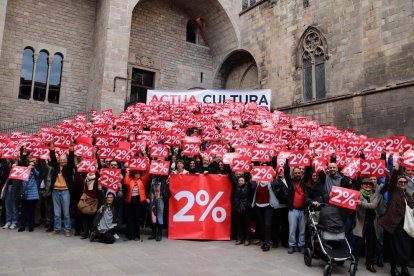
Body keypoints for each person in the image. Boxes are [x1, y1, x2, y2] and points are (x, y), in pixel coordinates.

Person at [379, 161, 414, 276]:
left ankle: (404, 269)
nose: (402, 183)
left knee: (405, 249)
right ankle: (393, 269)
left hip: (405, 226)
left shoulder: (408, 196)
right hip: (393, 225)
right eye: (400, 182)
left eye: (404, 182)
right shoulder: (393, 191)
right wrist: (397, 168)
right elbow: (393, 179)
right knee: (394, 249)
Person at [352, 178, 380, 273]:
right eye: (365, 184)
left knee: (371, 244)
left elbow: (374, 205)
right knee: (358, 245)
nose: (368, 185)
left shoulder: (376, 194)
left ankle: (370, 264)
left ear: (373, 186)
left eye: (370, 184)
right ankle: (354, 264)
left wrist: (362, 203)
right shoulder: (357, 194)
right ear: (361, 185)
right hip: (361, 222)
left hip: (372, 222)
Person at [49, 142, 75, 237]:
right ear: (59, 160)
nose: (62, 161)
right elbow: (52, 158)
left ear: (66, 161)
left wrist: (71, 151)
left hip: (65, 192)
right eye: (61, 160)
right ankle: (57, 229)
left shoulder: (68, 168)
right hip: (55, 191)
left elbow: (72, 160)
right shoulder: (56, 167)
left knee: (66, 212)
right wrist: (52, 149)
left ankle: (67, 230)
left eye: (64, 160)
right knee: (56, 213)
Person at [286, 166, 310, 254]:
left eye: (298, 173)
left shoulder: (304, 182)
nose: (297, 174)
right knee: (292, 230)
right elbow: (286, 173)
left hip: (303, 210)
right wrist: (287, 161)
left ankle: (301, 245)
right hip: (293, 210)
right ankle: (292, 246)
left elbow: (308, 171)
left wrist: (309, 162)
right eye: (295, 173)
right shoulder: (290, 183)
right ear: (293, 174)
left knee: (302, 230)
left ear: (301, 173)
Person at [251, 179, 279, 252]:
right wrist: (252, 177)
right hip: (258, 206)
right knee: (262, 224)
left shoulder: (271, 181)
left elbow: (277, 185)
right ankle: (265, 240)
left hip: (268, 206)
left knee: (267, 224)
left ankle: (267, 243)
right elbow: (252, 186)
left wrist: (274, 176)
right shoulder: (257, 181)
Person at [124, 169, 147, 241]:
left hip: (138, 200)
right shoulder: (130, 180)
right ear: (133, 174)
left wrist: (147, 162)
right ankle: (130, 235)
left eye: (139, 173)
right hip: (130, 200)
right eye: (136, 173)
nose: (138, 175)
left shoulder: (142, 180)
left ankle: (137, 235)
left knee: (136, 218)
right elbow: (126, 182)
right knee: (129, 218)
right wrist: (127, 172)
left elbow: (147, 174)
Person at [18, 157, 40, 232]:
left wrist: (33, 169)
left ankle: (31, 226)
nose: (31, 165)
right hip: (24, 193)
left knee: (31, 211)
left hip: (32, 195)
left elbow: (37, 175)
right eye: (30, 163)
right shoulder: (24, 170)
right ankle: (22, 226)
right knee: (23, 211)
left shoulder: (35, 171)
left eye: (32, 164)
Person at [233, 177, 251, 246]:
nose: (240, 181)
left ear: (244, 181)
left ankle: (247, 239)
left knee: (246, 224)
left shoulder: (248, 187)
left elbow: (252, 181)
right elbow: (232, 178)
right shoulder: (236, 187)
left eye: (242, 180)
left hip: (246, 209)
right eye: (239, 180)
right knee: (239, 224)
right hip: (237, 209)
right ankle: (240, 239)